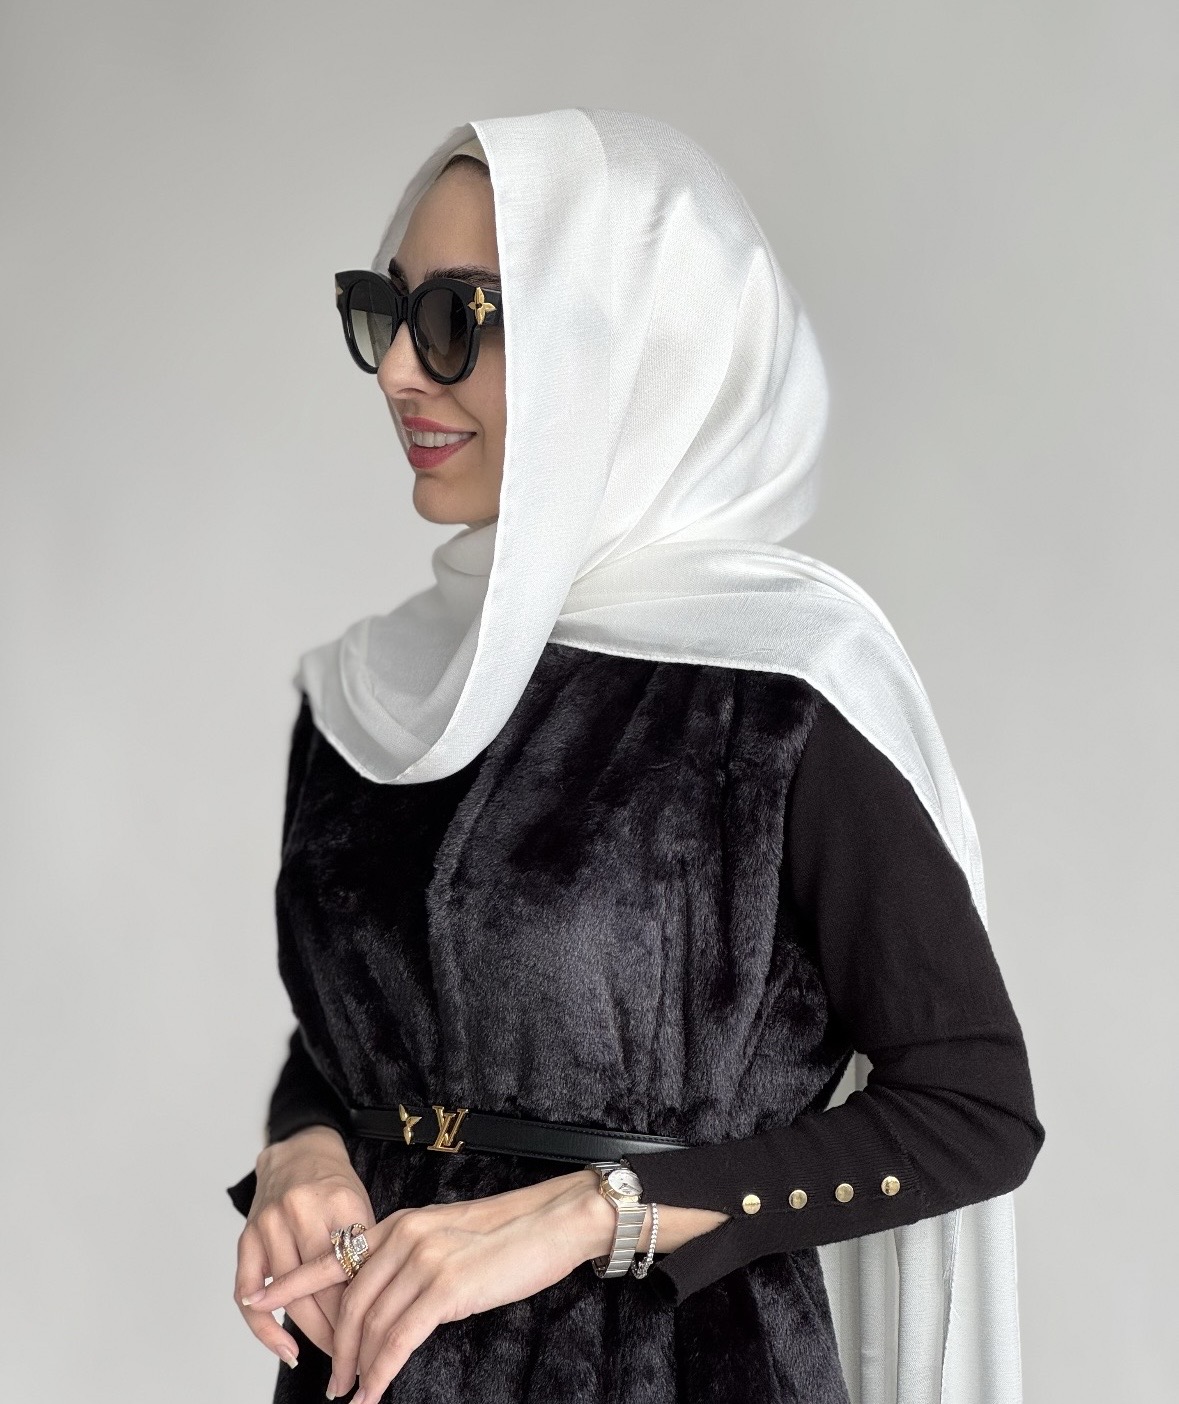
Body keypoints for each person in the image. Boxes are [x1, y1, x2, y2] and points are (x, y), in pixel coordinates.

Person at [225, 110, 1045, 1404]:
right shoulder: (368, 693)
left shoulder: (781, 689)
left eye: (461, 316)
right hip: (371, 1372)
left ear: (633, 339)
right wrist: (301, 1152)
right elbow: (352, 1038)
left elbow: (975, 1108)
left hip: (673, 1369)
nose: (399, 371)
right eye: (385, 311)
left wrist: (590, 1211)